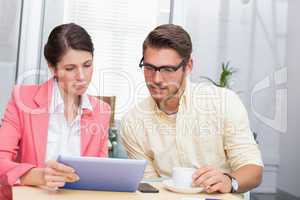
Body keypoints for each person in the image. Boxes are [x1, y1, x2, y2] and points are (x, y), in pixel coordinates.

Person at [121, 24, 263, 194]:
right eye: (149, 68)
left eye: (167, 69)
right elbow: (151, 187)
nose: (156, 79)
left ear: (188, 66)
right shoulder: (133, 121)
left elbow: (253, 170)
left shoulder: (224, 102)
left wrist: (228, 180)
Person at [0, 23, 111, 199]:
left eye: (87, 65)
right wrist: (37, 175)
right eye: (70, 68)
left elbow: (100, 173)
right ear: (53, 68)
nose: (81, 76)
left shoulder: (101, 111)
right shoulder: (23, 99)